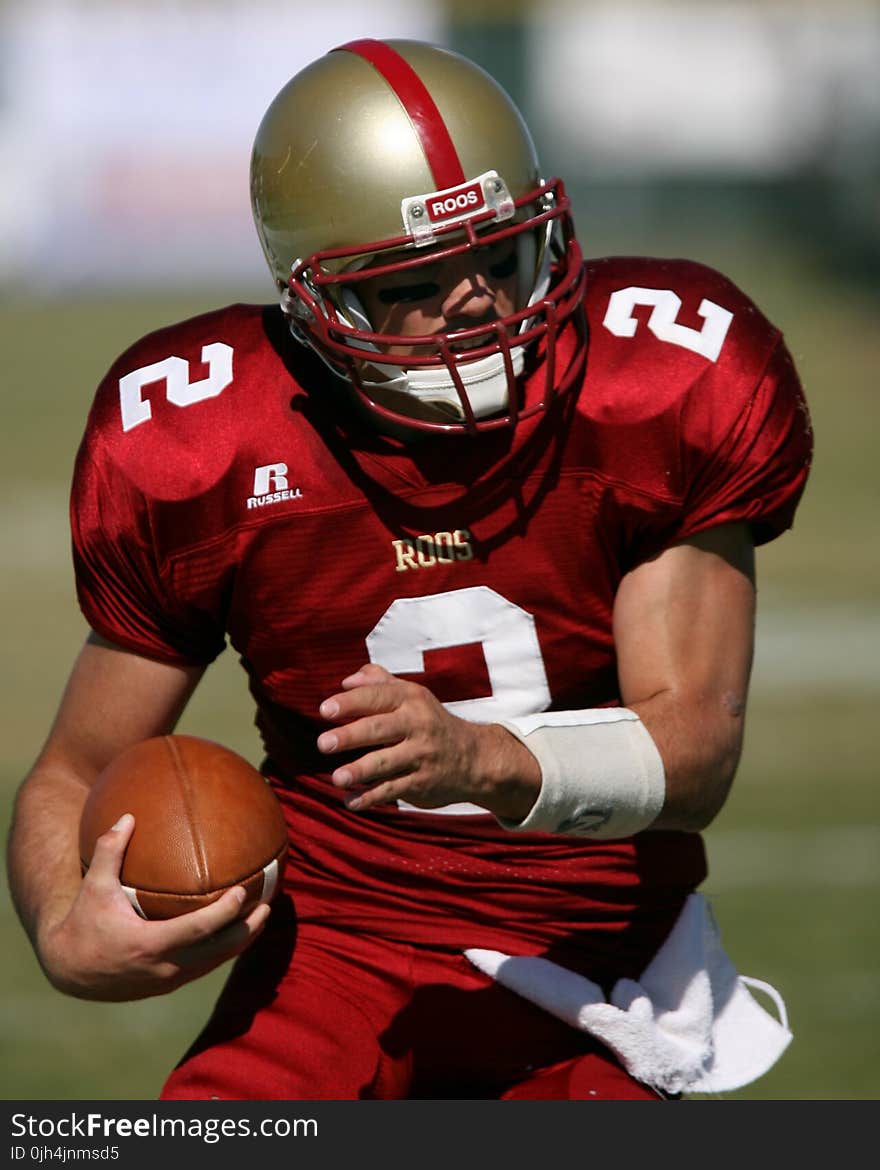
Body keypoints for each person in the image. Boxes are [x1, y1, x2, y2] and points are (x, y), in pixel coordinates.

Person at [7, 38, 812, 1100]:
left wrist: (483, 761)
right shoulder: (202, 437)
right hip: (332, 946)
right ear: (315, 302)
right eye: (416, 282)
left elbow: (695, 756)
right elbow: (75, 767)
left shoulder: (652, 385)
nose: (476, 303)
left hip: (597, 961)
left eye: (500, 256)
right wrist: (65, 926)